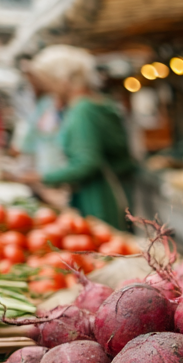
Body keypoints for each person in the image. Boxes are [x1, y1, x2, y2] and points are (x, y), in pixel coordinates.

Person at [25, 45, 135, 230]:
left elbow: (86, 163)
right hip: (104, 192)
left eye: (48, 81)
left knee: (106, 247)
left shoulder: (82, 110)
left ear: (64, 80)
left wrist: (41, 177)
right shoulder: (94, 103)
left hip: (99, 198)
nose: (46, 88)